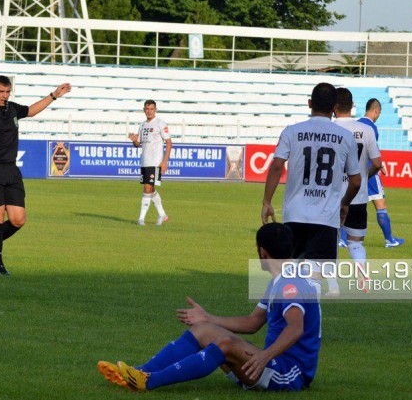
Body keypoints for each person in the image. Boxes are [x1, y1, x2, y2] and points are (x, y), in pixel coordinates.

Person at [97, 223, 321, 392]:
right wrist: (208, 317)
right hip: (273, 363)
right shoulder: (282, 278)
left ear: (262, 252)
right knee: (203, 329)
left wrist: (264, 356)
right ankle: (140, 372)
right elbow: (253, 323)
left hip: (290, 373)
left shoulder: (292, 283)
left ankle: (149, 382)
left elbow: (295, 328)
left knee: (224, 343)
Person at [0, 75, 71, 275]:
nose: (4, 96)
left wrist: (54, 96)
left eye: (7, 92)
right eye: (1, 92)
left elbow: (31, 110)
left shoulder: (12, 108)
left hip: (11, 171)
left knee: (18, 219)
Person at [261, 82, 361, 295]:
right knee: (315, 279)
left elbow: (277, 165)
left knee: (289, 276)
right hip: (325, 217)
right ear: (335, 107)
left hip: (294, 214)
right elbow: (356, 181)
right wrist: (344, 204)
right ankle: (310, 324)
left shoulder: (292, 131)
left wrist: (267, 201)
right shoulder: (345, 137)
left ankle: (289, 320)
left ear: (309, 103)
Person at [339, 98, 404, 248]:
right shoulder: (371, 128)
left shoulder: (354, 125)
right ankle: (389, 240)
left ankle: (342, 239)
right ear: (376, 111)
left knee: (348, 204)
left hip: (351, 173)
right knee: (381, 205)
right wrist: (379, 166)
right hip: (368, 172)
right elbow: (372, 152)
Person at [333, 89, 382, 287]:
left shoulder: (329, 129)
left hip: (332, 196)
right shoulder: (366, 130)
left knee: (330, 240)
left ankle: (333, 287)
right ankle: (362, 275)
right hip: (358, 196)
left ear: (334, 107)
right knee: (355, 242)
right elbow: (377, 163)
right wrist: (363, 177)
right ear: (352, 105)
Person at [128, 100, 172, 226]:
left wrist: (165, 161)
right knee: (150, 189)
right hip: (145, 162)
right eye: (147, 109)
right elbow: (138, 144)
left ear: (155, 110)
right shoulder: (142, 125)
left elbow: (169, 143)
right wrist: (134, 140)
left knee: (147, 187)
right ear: (144, 110)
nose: (149, 111)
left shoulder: (160, 123)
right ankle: (163, 214)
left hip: (156, 162)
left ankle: (141, 219)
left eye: (151, 109)